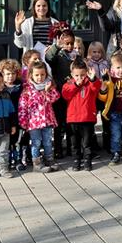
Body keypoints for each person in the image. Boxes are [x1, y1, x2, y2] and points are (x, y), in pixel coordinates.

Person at [18, 61, 60, 174]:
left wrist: (47, 91)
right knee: (36, 142)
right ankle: (37, 163)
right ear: (31, 75)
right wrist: (23, 121)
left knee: (47, 141)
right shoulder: (27, 90)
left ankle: (49, 159)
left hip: (47, 120)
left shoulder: (49, 86)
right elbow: (23, 107)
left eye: (42, 74)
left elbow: (55, 98)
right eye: (37, 75)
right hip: (33, 123)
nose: (40, 77)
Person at [61, 59, 103, 171]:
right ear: (72, 75)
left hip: (87, 118)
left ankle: (87, 160)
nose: (80, 78)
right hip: (73, 119)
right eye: (77, 75)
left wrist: (93, 78)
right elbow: (66, 94)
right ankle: (76, 160)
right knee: (75, 143)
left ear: (87, 73)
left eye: (82, 75)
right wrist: (76, 85)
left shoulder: (90, 83)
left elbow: (97, 87)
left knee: (87, 142)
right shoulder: (68, 84)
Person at [46, 27, 79, 159]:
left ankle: (71, 147)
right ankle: (58, 149)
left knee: (71, 122)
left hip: (72, 94)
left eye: (71, 43)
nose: (69, 46)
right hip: (59, 93)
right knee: (59, 123)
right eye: (67, 43)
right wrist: (56, 46)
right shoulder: (57, 55)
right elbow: (48, 58)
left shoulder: (76, 56)